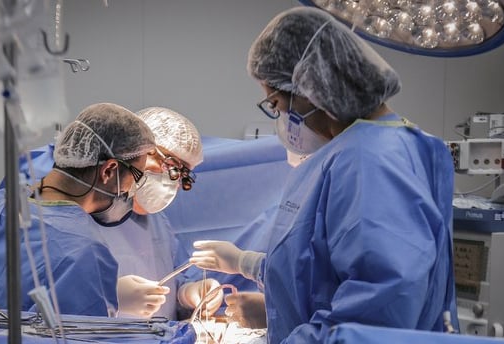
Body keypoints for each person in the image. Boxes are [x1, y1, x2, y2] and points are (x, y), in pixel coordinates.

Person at [189, 7, 457, 342]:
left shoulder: (370, 160)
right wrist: (247, 265)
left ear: (310, 89)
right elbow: (316, 269)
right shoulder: (366, 149)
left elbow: (378, 309)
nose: (280, 116)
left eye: (275, 103)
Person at [0, 103, 156, 316]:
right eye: (137, 176)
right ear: (108, 171)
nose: (133, 189)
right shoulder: (83, 251)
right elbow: (78, 337)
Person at [0, 106, 223, 319]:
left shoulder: (156, 221)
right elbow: (32, 307)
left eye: (182, 175)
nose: (172, 181)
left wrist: (187, 292)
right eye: (171, 166)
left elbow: (173, 274)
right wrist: (108, 296)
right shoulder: (62, 215)